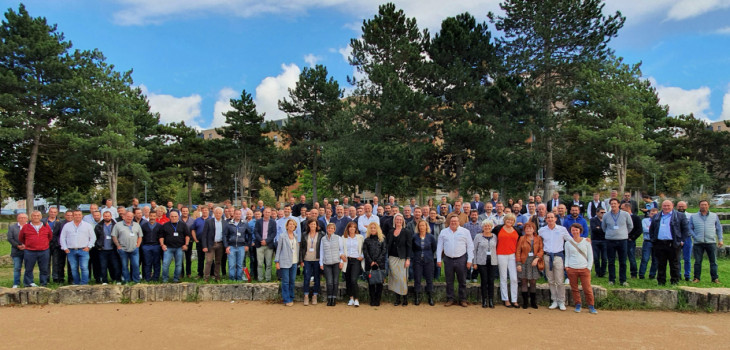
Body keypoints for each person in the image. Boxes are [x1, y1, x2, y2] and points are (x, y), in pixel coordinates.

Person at [649, 200, 690, 286]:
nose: (666, 207)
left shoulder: (680, 216)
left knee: (674, 263)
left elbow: (685, 230)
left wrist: (681, 240)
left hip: (673, 243)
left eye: (668, 206)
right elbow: (652, 229)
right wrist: (653, 240)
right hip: (660, 243)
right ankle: (661, 281)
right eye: (664, 206)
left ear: (672, 206)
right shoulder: (656, 216)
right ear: (661, 206)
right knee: (661, 263)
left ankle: (674, 281)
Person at [437, 215, 474, 307]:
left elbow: (470, 246)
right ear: (449, 222)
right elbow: (439, 247)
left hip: (461, 258)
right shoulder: (443, 232)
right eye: (452, 221)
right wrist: (438, 259)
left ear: (459, 222)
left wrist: (470, 260)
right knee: (449, 281)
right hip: (448, 259)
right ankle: (450, 299)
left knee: (462, 281)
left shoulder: (465, 232)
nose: (454, 223)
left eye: (455, 221)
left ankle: (463, 299)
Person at [538, 212, 572, 311]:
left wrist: (583, 240)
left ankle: (562, 301)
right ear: (546, 219)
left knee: (560, 280)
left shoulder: (562, 229)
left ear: (555, 219)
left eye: (552, 217)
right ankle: (554, 300)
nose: (550, 219)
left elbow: (570, 240)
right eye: (548, 218)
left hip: (558, 257)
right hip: (547, 256)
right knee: (551, 280)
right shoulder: (542, 230)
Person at [565, 223, 597, 314]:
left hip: (584, 268)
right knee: (574, 288)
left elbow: (590, 256)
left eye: (576, 230)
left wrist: (589, 268)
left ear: (580, 231)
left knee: (587, 288)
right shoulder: (568, 243)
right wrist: (567, 266)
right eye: (573, 230)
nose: (575, 232)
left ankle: (591, 305)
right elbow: (567, 255)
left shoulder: (586, 241)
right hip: (572, 268)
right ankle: (578, 304)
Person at [689, 200, 723, 284]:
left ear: (708, 206)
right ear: (699, 206)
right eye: (702, 205)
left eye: (705, 205)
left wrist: (720, 239)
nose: (703, 206)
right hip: (698, 243)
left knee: (713, 261)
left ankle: (715, 278)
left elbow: (718, 228)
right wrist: (695, 236)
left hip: (711, 242)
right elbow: (690, 228)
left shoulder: (714, 216)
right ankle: (696, 278)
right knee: (697, 261)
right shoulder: (693, 216)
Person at [602, 198, 633, 286]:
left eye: (615, 203)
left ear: (619, 204)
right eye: (611, 204)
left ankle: (623, 280)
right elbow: (604, 227)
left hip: (622, 240)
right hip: (610, 240)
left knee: (622, 261)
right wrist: (610, 233)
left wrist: (623, 233)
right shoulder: (606, 215)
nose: (613, 205)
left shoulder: (625, 214)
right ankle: (612, 279)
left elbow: (630, 226)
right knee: (611, 261)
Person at [60, 210, 96, 285]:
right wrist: (65, 248)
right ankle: (76, 283)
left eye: (79, 214)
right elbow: (62, 237)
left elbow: (93, 237)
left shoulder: (87, 225)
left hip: (83, 250)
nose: (77, 216)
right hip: (71, 251)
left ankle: (84, 283)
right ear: (73, 216)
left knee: (84, 268)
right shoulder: (67, 225)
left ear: (82, 215)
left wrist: (89, 247)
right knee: (73, 269)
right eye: (75, 214)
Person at [19, 211, 53, 287]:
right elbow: (21, 238)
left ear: (41, 217)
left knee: (44, 268)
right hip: (30, 251)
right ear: (31, 217)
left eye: (38, 216)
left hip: (44, 250)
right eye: (34, 216)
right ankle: (28, 283)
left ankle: (43, 283)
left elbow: (50, 236)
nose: (36, 217)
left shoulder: (46, 226)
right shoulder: (26, 227)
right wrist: (29, 243)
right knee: (28, 268)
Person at [494, 213, 520, 308]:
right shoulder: (498, 229)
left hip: (512, 255)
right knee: (503, 277)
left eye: (512, 220)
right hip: (501, 254)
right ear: (505, 220)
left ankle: (514, 299)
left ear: (514, 221)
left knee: (514, 278)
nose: (510, 221)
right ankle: (506, 299)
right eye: (508, 220)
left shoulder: (517, 230)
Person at [516, 222, 543, 309]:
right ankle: (525, 302)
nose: (528, 230)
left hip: (534, 261)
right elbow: (518, 251)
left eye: (530, 228)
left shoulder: (538, 238)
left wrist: (537, 258)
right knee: (524, 281)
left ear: (534, 229)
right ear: (524, 230)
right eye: (527, 228)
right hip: (524, 261)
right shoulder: (522, 238)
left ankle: (533, 302)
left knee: (533, 282)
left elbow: (541, 250)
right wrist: (518, 263)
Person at [387, 214, 412, 306]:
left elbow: (409, 246)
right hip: (392, 258)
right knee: (395, 279)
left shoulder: (407, 232)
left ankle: (405, 298)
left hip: (402, 258)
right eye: (397, 219)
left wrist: (408, 259)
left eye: (400, 220)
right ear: (394, 221)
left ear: (403, 221)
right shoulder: (390, 232)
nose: (398, 221)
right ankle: (397, 298)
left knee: (402, 279)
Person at [111, 211, 143, 284]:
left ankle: (136, 280)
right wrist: (118, 246)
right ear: (124, 217)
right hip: (123, 249)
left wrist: (137, 245)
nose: (129, 218)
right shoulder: (118, 225)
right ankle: (126, 280)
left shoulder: (136, 225)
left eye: (131, 217)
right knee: (124, 266)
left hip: (134, 249)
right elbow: (114, 236)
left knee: (136, 265)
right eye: (128, 216)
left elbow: (140, 236)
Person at [159, 211, 191, 283]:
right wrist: (162, 245)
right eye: (172, 216)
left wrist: (186, 244)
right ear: (169, 217)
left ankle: (176, 279)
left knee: (178, 264)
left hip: (179, 248)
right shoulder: (165, 225)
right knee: (165, 264)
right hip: (168, 248)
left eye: (175, 216)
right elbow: (161, 236)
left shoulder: (183, 225)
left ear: (178, 217)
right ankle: (165, 279)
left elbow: (187, 235)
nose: (174, 218)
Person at [473, 220, 498, 308]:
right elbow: (474, 250)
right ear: (482, 227)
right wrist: (474, 262)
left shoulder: (495, 236)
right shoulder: (478, 237)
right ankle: (484, 300)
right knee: (484, 280)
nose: (487, 228)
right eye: (485, 226)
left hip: (493, 261)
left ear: (491, 227)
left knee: (491, 280)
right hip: (481, 261)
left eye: (489, 226)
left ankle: (491, 300)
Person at [275, 219, 300, 306]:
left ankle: (291, 296)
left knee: (292, 280)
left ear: (295, 227)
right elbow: (278, 249)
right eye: (290, 224)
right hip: (284, 261)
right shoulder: (282, 236)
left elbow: (297, 249)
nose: (291, 226)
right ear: (287, 226)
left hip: (294, 261)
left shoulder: (296, 236)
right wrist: (277, 261)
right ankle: (286, 299)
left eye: (293, 224)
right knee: (285, 281)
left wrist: (299, 260)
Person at [411, 220, 436, 306]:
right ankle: (417, 297)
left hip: (428, 260)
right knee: (417, 279)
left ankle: (430, 297)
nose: (422, 227)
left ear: (426, 226)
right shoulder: (414, 237)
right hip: (417, 260)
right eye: (420, 226)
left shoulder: (431, 237)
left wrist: (428, 255)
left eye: (423, 225)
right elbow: (413, 248)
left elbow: (434, 248)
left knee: (429, 279)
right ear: (418, 227)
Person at [320, 223, 345, 306]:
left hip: (336, 262)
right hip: (327, 262)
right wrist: (321, 263)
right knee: (329, 282)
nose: (330, 230)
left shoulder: (338, 238)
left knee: (335, 281)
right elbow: (321, 252)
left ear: (334, 230)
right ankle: (329, 298)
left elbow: (341, 250)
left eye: (332, 228)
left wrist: (341, 261)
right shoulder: (323, 239)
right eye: (329, 228)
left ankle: (334, 298)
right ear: (327, 229)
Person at [300, 219, 323, 305]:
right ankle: (306, 296)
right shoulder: (304, 235)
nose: (313, 226)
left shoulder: (321, 235)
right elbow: (301, 248)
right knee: (306, 277)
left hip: (317, 260)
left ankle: (315, 295)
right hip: (307, 259)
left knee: (317, 278)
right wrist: (301, 260)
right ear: (308, 225)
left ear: (317, 226)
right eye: (311, 224)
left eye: (314, 224)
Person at [94, 211, 121, 285]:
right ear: (103, 216)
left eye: (108, 216)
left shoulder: (115, 225)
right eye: (105, 216)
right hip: (102, 249)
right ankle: (104, 281)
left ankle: (117, 280)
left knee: (116, 265)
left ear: (111, 216)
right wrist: (98, 246)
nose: (107, 217)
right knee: (103, 266)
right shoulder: (99, 226)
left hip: (113, 249)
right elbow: (95, 237)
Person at [363, 222, 387, 306]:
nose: (373, 229)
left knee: (380, 283)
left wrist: (377, 261)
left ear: (377, 229)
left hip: (380, 264)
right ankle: (372, 300)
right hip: (369, 264)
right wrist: (371, 261)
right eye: (371, 228)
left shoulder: (382, 239)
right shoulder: (366, 240)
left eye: (374, 228)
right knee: (371, 283)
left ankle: (378, 300)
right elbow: (365, 252)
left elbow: (384, 251)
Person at [223, 209, 249, 281]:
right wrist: (226, 246)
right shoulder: (229, 224)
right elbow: (225, 235)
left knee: (240, 264)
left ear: (241, 215)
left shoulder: (244, 224)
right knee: (231, 264)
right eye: (236, 214)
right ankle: (232, 279)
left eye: (239, 214)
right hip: (231, 246)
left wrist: (247, 244)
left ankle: (239, 278)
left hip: (241, 247)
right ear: (234, 214)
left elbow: (249, 234)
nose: (238, 215)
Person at [342, 221, 364, 307]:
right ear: (348, 228)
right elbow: (341, 249)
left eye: (354, 227)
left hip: (356, 260)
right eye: (350, 227)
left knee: (353, 280)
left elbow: (363, 248)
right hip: (347, 260)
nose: (352, 228)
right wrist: (341, 255)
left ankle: (356, 299)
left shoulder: (360, 237)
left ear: (356, 229)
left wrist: (362, 256)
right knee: (348, 280)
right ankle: (351, 298)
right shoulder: (343, 237)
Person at [201, 207, 226, 281]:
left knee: (218, 261)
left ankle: (217, 277)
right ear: (214, 213)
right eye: (216, 213)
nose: (218, 214)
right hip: (211, 244)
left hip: (220, 244)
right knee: (209, 261)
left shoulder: (225, 222)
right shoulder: (209, 221)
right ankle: (206, 277)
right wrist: (204, 246)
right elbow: (204, 235)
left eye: (219, 213)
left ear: (222, 214)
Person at [254, 207, 277, 282]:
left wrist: (266, 241)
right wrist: (261, 240)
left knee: (268, 263)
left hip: (269, 245)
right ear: (263, 212)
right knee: (260, 263)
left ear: (270, 213)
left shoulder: (273, 222)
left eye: (268, 212)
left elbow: (274, 233)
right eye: (266, 212)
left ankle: (268, 278)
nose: (267, 214)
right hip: (260, 244)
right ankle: (260, 278)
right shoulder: (258, 221)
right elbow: (256, 232)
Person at [140, 211, 162, 282]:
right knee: (147, 263)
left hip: (156, 246)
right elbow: (141, 236)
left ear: (156, 217)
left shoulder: (159, 226)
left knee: (156, 262)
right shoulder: (144, 226)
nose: (152, 217)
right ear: (148, 216)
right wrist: (143, 246)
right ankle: (147, 278)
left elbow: (161, 237)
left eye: (154, 216)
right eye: (151, 216)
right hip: (146, 246)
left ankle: (156, 278)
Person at [623, 203, 643, 279]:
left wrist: (633, 237)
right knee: (623, 258)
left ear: (628, 208)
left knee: (631, 258)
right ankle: (623, 273)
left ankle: (634, 274)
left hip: (630, 240)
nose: (621, 210)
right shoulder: (622, 217)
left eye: (623, 208)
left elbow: (639, 229)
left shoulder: (635, 218)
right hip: (622, 240)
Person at [8, 213, 28, 288]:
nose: (22, 219)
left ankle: (27, 282)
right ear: (17, 219)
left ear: (27, 219)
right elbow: (10, 238)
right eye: (20, 218)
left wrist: (26, 245)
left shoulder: (30, 227)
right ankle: (16, 283)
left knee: (28, 267)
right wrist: (17, 245)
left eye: (24, 218)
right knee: (17, 268)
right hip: (16, 251)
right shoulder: (12, 227)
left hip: (28, 250)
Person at [639, 208, 659, 279]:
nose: (653, 215)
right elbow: (644, 229)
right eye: (651, 213)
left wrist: (650, 229)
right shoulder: (644, 220)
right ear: (649, 213)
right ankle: (641, 275)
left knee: (655, 259)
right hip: (647, 241)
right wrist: (653, 230)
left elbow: (659, 230)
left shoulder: (659, 221)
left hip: (656, 242)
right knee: (645, 259)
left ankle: (652, 275)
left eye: (655, 213)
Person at [191, 206, 210, 279]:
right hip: (200, 242)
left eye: (206, 210)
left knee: (210, 259)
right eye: (203, 210)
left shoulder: (212, 219)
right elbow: (193, 229)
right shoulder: (197, 220)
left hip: (209, 242)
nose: (205, 211)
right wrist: (195, 239)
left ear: (208, 211)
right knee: (200, 258)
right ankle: (200, 274)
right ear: (201, 211)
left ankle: (211, 274)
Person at [589, 208, 608, 278]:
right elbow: (593, 229)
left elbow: (607, 229)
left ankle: (603, 272)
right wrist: (601, 229)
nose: (603, 214)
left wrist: (599, 228)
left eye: (604, 212)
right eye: (601, 212)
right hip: (595, 240)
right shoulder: (593, 220)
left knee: (604, 258)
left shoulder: (606, 220)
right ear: (597, 213)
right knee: (596, 257)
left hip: (604, 240)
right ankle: (597, 272)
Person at [676, 201, 692, 281]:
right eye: (679, 206)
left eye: (683, 206)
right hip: (677, 238)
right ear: (676, 207)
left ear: (686, 207)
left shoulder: (690, 216)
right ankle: (678, 275)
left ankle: (687, 275)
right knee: (677, 258)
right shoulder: (674, 215)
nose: (681, 208)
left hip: (687, 238)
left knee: (687, 258)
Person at [180, 206, 196, 279]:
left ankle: (188, 273)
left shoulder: (192, 220)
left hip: (189, 241)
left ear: (188, 212)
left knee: (188, 258)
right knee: (180, 258)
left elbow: (194, 230)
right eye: (183, 211)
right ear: (181, 212)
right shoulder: (178, 219)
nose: (185, 212)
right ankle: (181, 273)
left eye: (186, 211)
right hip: (180, 241)